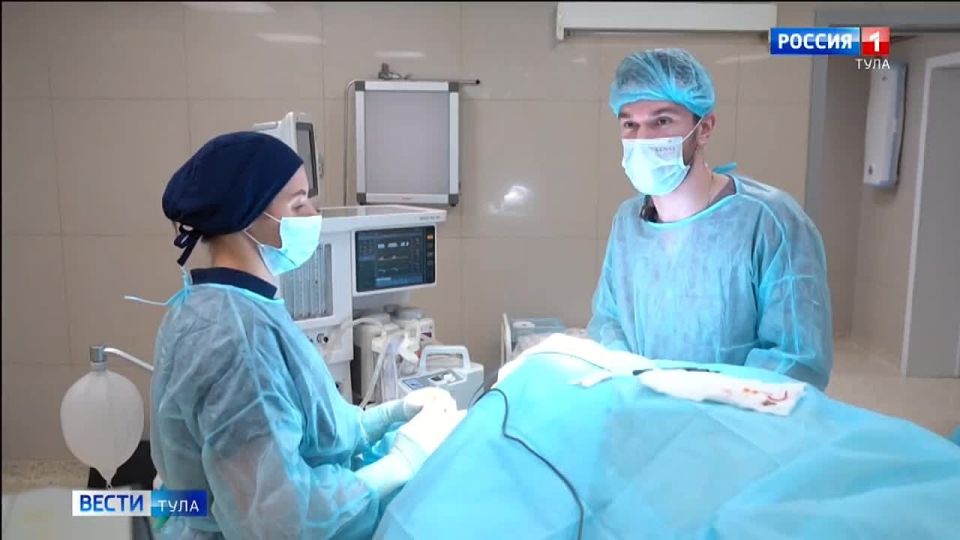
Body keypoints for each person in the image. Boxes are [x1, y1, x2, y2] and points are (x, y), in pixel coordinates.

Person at [148, 131, 463, 539]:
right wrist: (400, 462)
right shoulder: (234, 340)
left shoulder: (238, 306)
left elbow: (312, 430)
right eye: (298, 204)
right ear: (249, 216)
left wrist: (387, 417)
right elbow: (277, 520)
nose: (314, 214)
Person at [588, 48, 834, 390]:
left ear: (704, 128)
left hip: (736, 417)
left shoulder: (770, 221)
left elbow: (794, 359)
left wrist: (710, 406)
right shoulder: (629, 221)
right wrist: (634, 388)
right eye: (630, 124)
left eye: (662, 121)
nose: (642, 139)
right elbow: (608, 322)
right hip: (642, 407)